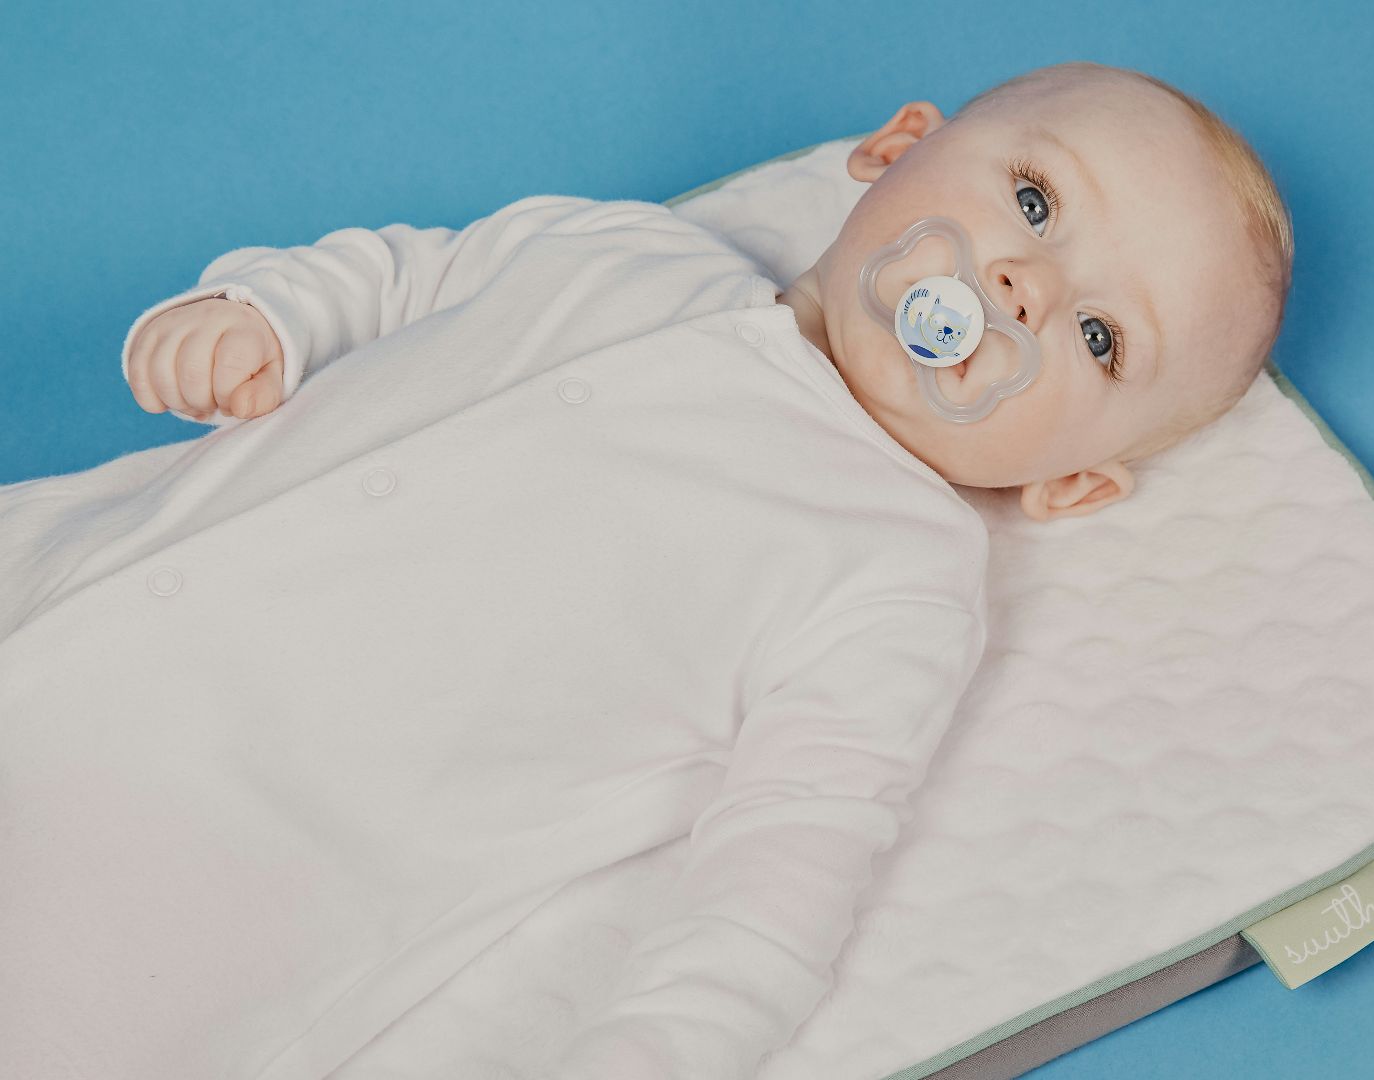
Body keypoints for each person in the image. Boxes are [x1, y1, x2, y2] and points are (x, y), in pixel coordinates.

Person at [0, 61, 1292, 1079]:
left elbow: (783, 878)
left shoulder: (894, 576)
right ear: (898, 151)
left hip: (200, 876)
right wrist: (262, 315)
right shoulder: (627, 252)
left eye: (1102, 336)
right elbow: (405, 272)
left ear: (1067, 483)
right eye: (1033, 201)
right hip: (64, 568)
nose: (1021, 284)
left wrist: (651, 1055)